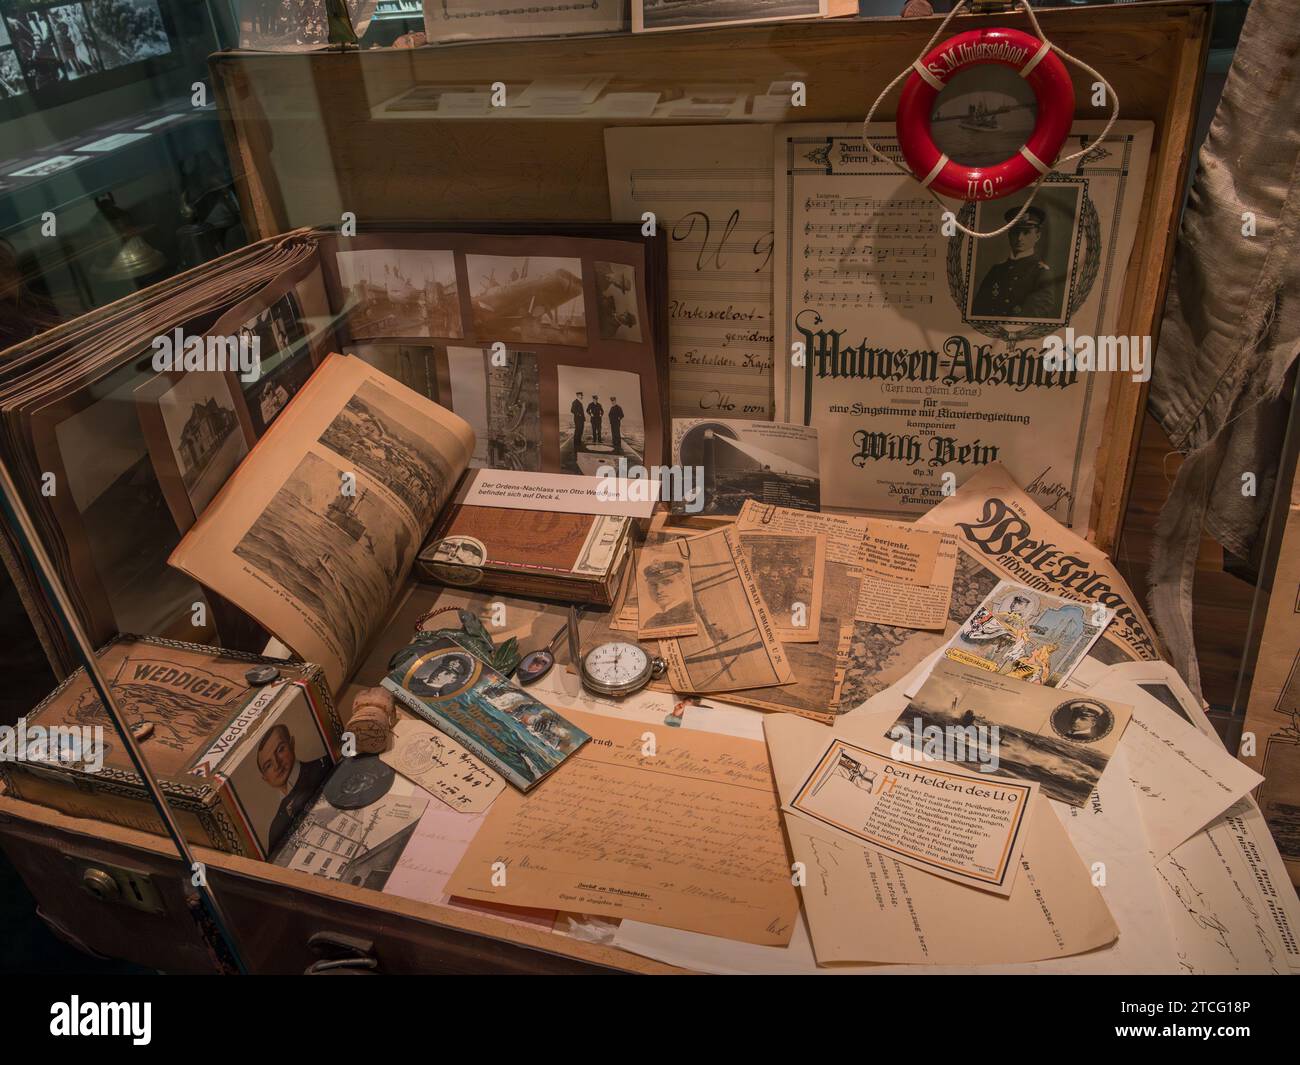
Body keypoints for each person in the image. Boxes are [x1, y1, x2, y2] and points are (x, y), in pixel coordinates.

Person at [971, 206, 1060, 319]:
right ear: (1009, 235)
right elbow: (977, 309)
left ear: (1037, 236)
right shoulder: (996, 270)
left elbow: (1038, 312)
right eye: (1015, 232)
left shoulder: (1040, 272)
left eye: (1026, 232)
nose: (1019, 238)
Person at [258, 724, 331, 850]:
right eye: (268, 765)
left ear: (292, 744)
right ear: (266, 779)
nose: (277, 764)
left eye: (280, 750)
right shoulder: (276, 828)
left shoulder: (325, 765)